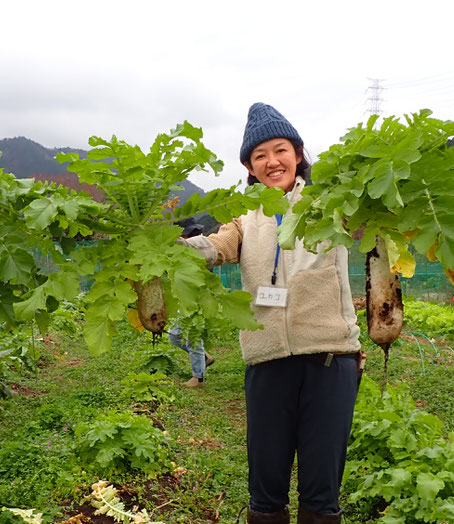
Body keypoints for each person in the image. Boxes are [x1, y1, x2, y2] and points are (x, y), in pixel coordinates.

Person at [181, 103, 361, 523]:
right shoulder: (243, 215)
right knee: (266, 486)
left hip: (329, 356)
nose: (271, 161)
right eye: (259, 155)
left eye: (279, 150)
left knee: (322, 489)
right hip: (267, 358)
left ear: (297, 154)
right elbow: (216, 247)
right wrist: (168, 248)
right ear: (250, 167)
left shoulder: (328, 201)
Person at [168, 218, 215, 388]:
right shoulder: (182, 250)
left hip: (197, 299)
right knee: (174, 335)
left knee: (192, 337)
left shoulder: (201, 248)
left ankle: (198, 377)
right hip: (184, 299)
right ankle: (203, 358)